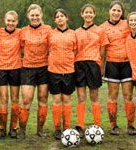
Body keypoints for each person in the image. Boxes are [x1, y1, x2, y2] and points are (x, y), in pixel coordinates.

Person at [100, 0, 136, 135]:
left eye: (119, 10)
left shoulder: (127, 24)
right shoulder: (103, 27)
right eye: (114, 10)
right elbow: (103, 49)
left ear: (122, 13)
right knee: (113, 96)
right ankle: (113, 126)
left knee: (128, 96)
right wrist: (101, 65)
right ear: (109, 11)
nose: (116, 12)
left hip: (127, 64)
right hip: (111, 64)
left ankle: (130, 126)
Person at [17, 4, 51, 139]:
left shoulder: (48, 29)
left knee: (43, 99)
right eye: (32, 15)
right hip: (28, 68)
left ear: (41, 15)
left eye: (37, 15)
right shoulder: (23, 31)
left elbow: (52, 47)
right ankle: (22, 130)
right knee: (26, 100)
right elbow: (19, 50)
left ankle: (40, 129)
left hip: (44, 68)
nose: (35, 17)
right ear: (28, 16)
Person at [74, 4, 109, 137]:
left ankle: (97, 125)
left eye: (91, 12)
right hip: (79, 65)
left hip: (93, 64)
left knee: (94, 97)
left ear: (94, 14)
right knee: (81, 97)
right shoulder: (76, 32)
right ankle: (80, 126)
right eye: (86, 12)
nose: (88, 15)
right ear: (82, 14)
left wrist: (100, 66)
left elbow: (102, 50)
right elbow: (74, 50)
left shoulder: (100, 31)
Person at [48, 9, 77, 140]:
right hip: (53, 71)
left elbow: (75, 51)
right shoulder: (50, 34)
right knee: (56, 100)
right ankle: (57, 128)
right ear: (54, 20)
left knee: (66, 99)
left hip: (69, 71)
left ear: (66, 18)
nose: (60, 18)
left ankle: (66, 127)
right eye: (57, 17)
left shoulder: (73, 34)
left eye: (62, 16)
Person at [0, 10, 22, 139]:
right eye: (9, 20)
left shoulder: (20, 32)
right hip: (1, 69)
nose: (11, 23)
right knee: (4, 99)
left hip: (16, 68)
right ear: (5, 21)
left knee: (15, 99)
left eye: (13, 21)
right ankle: (1, 128)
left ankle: (13, 128)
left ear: (16, 22)